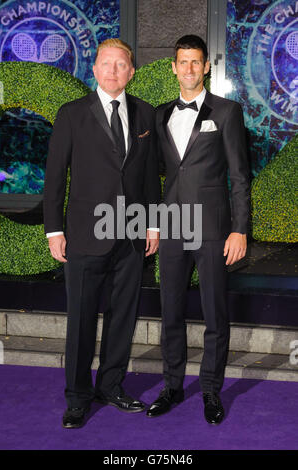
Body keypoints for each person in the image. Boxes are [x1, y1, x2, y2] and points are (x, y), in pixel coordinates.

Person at [44, 38, 160, 429]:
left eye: (120, 65)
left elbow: (148, 179)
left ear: (131, 71)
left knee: (123, 317)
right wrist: (54, 230)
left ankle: (111, 386)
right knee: (80, 320)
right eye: (106, 64)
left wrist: (154, 224)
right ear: (93, 70)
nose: (113, 71)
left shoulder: (144, 115)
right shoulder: (72, 114)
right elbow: (55, 178)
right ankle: (77, 397)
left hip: (129, 236)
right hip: (84, 237)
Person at [146, 35, 250, 424]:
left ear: (206, 66)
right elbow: (153, 177)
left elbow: (240, 176)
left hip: (212, 229)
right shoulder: (159, 115)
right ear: (173, 67)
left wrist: (239, 230)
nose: (189, 68)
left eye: (196, 62)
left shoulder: (227, 111)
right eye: (182, 62)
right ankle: (172, 386)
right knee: (170, 311)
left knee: (214, 314)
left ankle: (210, 390)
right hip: (172, 227)